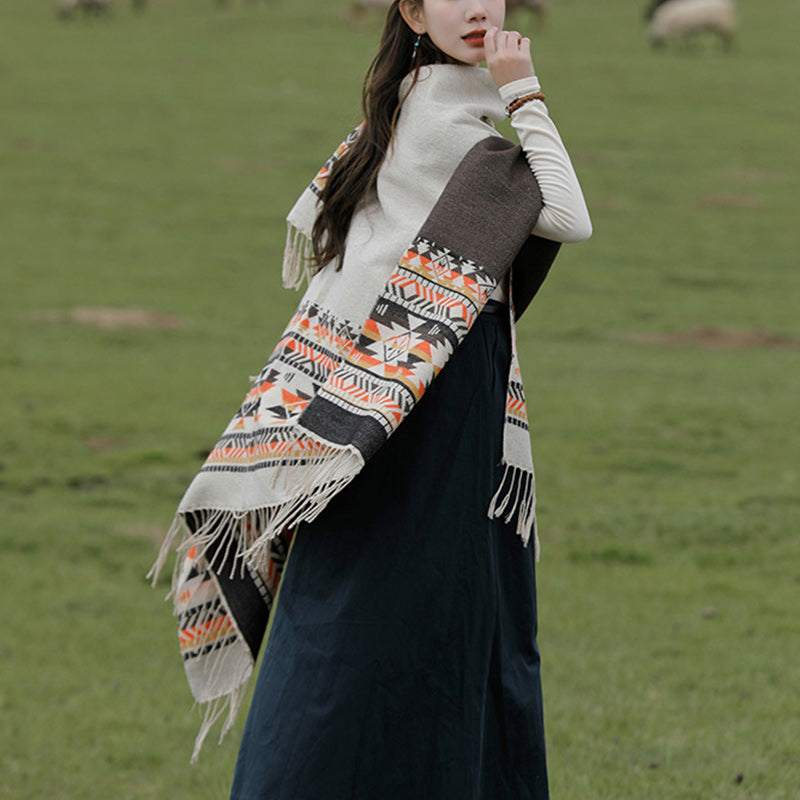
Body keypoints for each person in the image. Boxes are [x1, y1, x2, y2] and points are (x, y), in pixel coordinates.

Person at [151, 1, 591, 797]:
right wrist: (525, 91)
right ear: (414, 9)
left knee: (359, 610)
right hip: (427, 408)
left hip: (391, 406)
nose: (479, 7)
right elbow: (567, 214)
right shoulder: (456, 135)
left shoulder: (403, 105)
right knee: (433, 620)